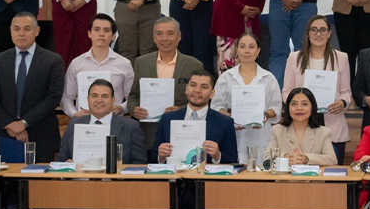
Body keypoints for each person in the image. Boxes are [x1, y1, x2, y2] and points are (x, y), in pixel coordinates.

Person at [40, 79, 146, 209]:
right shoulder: (74, 124)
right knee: (44, 207)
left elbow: (141, 164)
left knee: (116, 208)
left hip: (113, 193)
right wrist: (68, 164)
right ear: (87, 100)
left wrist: (121, 168)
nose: (99, 101)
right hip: (77, 191)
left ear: (114, 100)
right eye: (94, 96)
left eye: (105, 96)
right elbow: (60, 162)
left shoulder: (129, 127)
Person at [135, 69, 236, 209]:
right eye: (193, 85)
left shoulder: (224, 122)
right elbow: (154, 157)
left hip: (205, 189)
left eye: (204, 87)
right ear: (187, 88)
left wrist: (217, 156)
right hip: (171, 187)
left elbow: (233, 163)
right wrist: (161, 156)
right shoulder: (169, 118)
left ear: (212, 93)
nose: (197, 91)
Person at [260, 88, 338, 209]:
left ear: (312, 108)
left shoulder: (323, 132)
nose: (299, 108)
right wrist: (284, 159)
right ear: (288, 108)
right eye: (294, 103)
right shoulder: (278, 130)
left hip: (312, 194)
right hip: (282, 192)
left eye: (304, 103)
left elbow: (332, 160)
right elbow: (266, 160)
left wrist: (306, 158)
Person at [0, 12, 66, 160]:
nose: (21, 33)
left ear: (37, 31)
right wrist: (10, 124)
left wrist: (24, 123)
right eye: (16, 29)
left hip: (41, 135)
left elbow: (53, 97)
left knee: (38, 182)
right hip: (6, 134)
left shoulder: (53, 60)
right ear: (11, 31)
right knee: (5, 182)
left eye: (27, 29)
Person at [127, 17, 206, 150]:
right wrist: (134, 109)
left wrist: (182, 110)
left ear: (179, 36)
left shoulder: (194, 64)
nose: (164, 39)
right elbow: (133, 96)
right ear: (154, 38)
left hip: (183, 132)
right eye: (159, 34)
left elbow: (201, 99)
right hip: (149, 133)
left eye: (170, 33)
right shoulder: (141, 62)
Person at [281, 16, 353, 163]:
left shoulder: (342, 58)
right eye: (313, 30)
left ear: (329, 33)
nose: (318, 34)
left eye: (322, 30)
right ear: (308, 33)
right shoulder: (294, 58)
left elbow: (346, 91)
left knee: (332, 176)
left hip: (332, 123)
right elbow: (286, 91)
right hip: (301, 125)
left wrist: (342, 103)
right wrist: (298, 105)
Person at [213, 32, 281, 167]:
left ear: (258, 51)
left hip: (260, 134)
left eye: (251, 47)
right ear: (237, 50)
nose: (246, 51)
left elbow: (276, 108)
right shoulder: (226, 78)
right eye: (242, 47)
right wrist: (231, 117)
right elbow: (216, 107)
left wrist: (265, 115)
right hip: (234, 133)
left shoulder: (269, 78)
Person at [60, 14, 134, 118]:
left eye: (106, 30)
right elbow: (66, 97)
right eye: (97, 29)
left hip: (113, 121)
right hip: (83, 121)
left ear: (113, 36)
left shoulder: (124, 64)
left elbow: (132, 97)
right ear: (89, 33)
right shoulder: (76, 63)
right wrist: (74, 114)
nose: (101, 34)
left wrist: (122, 108)